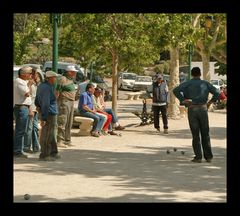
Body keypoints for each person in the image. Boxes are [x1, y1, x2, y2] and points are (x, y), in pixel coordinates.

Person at [173, 67, 220, 163]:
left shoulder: (188, 83)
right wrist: (210, 102)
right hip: (203, 108)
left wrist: (183, 100)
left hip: (192, 108)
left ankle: (198, 157)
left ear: (192, 74)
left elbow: (176, 90)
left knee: (195, 134)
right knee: (205, 133)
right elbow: (217, 92)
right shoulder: (205, 83)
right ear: (200, 74)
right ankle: (209, 157)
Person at [35, 71, 60, 161]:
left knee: (51, 133)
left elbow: (37, 98)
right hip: (49, 113)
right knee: (47, 134)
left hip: (47, 112)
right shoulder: (47, 88)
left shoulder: (42, 86)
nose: (55, 79)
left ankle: (53, 152)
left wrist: (38, 106)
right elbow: (46, 103)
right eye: (54, 77)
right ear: (49, 78)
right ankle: (45, 154)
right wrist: (44, 117)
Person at [56, 65, 78, 147]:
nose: (75, 73)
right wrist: (56, 102)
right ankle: (59, 140)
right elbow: (57, 91)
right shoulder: (63, 79)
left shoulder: (70, 80)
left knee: (69, 122)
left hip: (71, 102)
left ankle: (67, 140)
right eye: (73, 72)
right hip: (64, 101)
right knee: (63, 121)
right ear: (69, 72)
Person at [13, 66, 33, 158]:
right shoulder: (19, 81)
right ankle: (17, 151)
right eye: (29, 73)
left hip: (24, 107)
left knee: (22, 130)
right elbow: (26, 94)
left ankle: (18, 149)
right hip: (21, 107)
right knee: (20, 130)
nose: (31, 75)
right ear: (23, 74)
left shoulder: (23, 82)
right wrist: (29, 85)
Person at [23, 68, 44, 153]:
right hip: (31, 108)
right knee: (29, 128)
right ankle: (27, 147)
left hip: (35, 109)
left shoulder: (36, 84)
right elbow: (29, 97)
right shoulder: (30, 84)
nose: (37, 76)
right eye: (36, 74)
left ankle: (36, 146)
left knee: (35, 128)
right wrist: (30, 109)